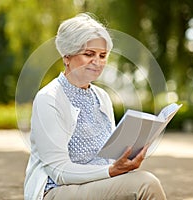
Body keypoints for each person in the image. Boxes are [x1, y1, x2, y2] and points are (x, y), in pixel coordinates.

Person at [24, 13, 167, 200]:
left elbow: (108, 156)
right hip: (57, 190)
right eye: (89, 54)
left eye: (102, 55)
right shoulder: (49, 98)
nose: (97, 62)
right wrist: (111, 171)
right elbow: (59, 171)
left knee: (137, 182)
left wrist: (126, 157)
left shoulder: (102, 97)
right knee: (146, 184)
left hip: (97, 184)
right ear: (67, 56)